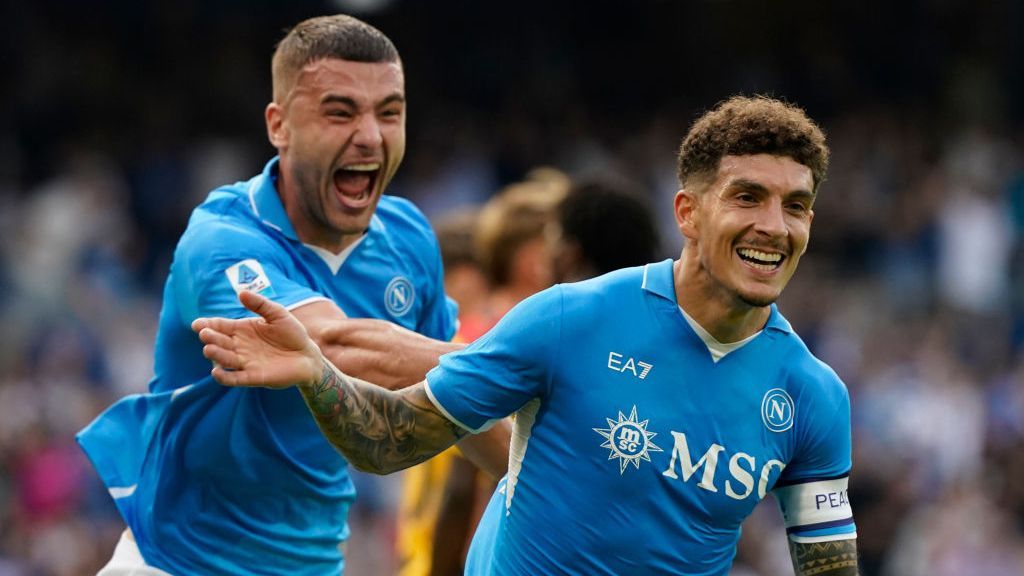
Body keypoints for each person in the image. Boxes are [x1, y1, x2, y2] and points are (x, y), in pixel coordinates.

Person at [193, 95, 860, 575]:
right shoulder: (571, 319)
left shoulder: (811, 397)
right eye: (748, 197)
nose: (775, 225)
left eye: (796, 206)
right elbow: (391, 439)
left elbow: (829, 565)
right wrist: (317, 374)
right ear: (687, 212)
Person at [76, 14, 507, 575]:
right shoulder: (223, 238)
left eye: (390, 112)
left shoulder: (409, 240)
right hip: (176, 564)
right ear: (279, 126)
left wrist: (549, 475)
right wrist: (523, 365)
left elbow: (451, 401)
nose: (371, 135)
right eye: (340, 112)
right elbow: (326, 344)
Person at [399, 171, 567, 576]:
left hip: (424, 551)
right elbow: (466, 483)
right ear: (532, 258)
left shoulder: (475, 330)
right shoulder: (502, 340)